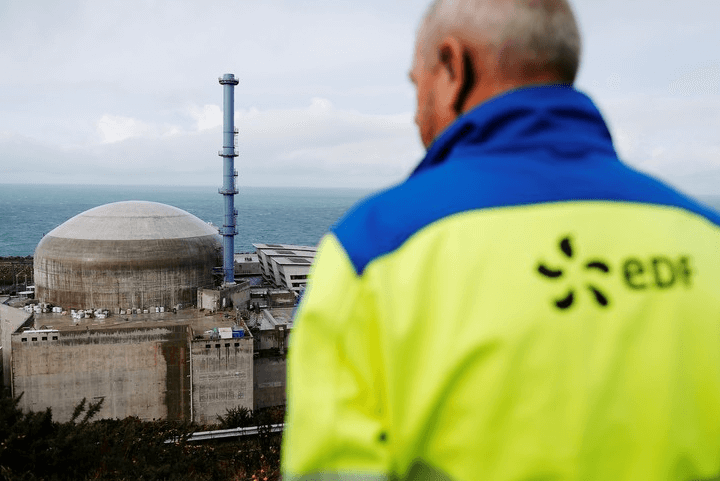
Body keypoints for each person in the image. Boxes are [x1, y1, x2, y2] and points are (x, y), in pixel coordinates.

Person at [281, 0, 720, 479]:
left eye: (418, 85)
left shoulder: (372, 251)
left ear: (453, 66)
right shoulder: (706, 235)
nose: (415, 115)